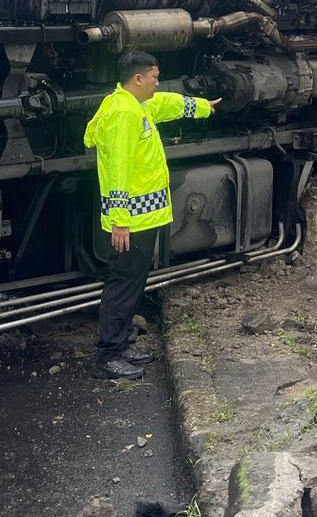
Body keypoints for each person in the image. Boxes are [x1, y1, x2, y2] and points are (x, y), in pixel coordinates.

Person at [83, 50, 219, 380]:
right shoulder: (122, 114)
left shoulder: (139, 105)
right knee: (122, 285)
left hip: (142, 220)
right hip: (129, 222)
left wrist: (202, 107)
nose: (158, 82)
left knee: (132, 283)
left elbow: (168, 103)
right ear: (138, 78)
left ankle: (120, 344)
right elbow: (117, 170)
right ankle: (107, 358)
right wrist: (119, 220)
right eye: (155, 76)